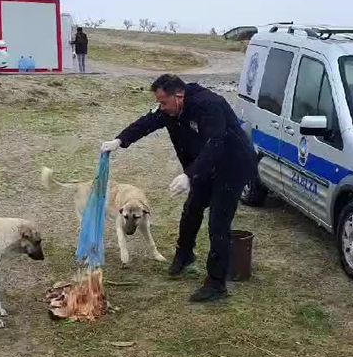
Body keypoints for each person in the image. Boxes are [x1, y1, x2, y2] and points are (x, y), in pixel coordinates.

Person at [101, 74, 255, 302]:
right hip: (203, 165)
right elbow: (146, 123)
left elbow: (216, 143)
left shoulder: (209, 105)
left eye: (163, 102)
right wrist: (120, 141)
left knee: (218, 223)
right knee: (191, 209)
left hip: (232, 165)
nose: (160, 107)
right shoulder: (169, 109)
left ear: (179, 96)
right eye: (159, 103)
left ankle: (216, 284)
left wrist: (189, 175)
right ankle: (184, 256)